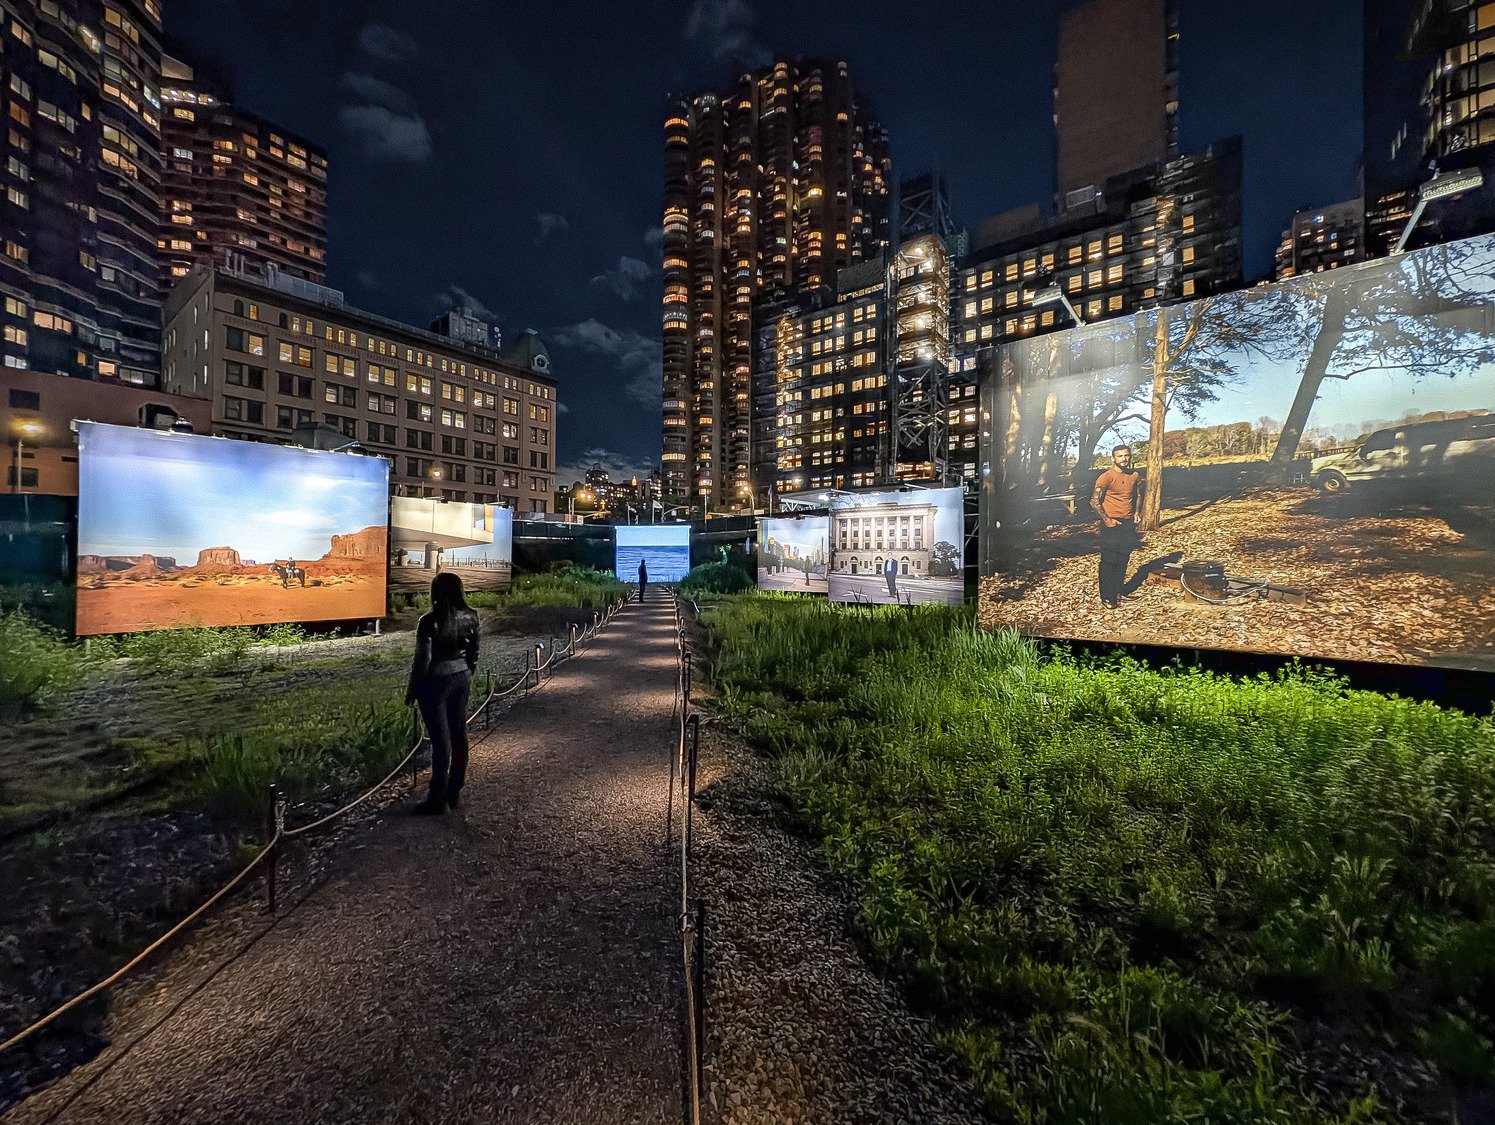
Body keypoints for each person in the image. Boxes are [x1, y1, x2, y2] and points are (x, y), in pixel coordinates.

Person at [405, 571, 480, 814]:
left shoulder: (429, 620)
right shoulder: (471, 616)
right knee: (459, 734)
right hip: (461, 677)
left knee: (440, 740)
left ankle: (437, 798)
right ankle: (454, 790)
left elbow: (422, 659)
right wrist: (468, 673)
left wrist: (413, 688)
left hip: (436, 681)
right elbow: (474, 653)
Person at [1091, 444, 1146, 608]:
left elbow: (1138, 494)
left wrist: (1137, 512)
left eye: (1126, 455)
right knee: (1109, 560)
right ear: (1113, 458)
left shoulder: (1135, 475)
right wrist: (1107, 519)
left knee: (1123, 559)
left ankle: (1118, 592)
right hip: (1111, 523)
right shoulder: (1106, 477)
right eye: (1120, 456)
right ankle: (1107, 597)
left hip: (1128, 522)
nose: (1124, 458)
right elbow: (1094, 501)